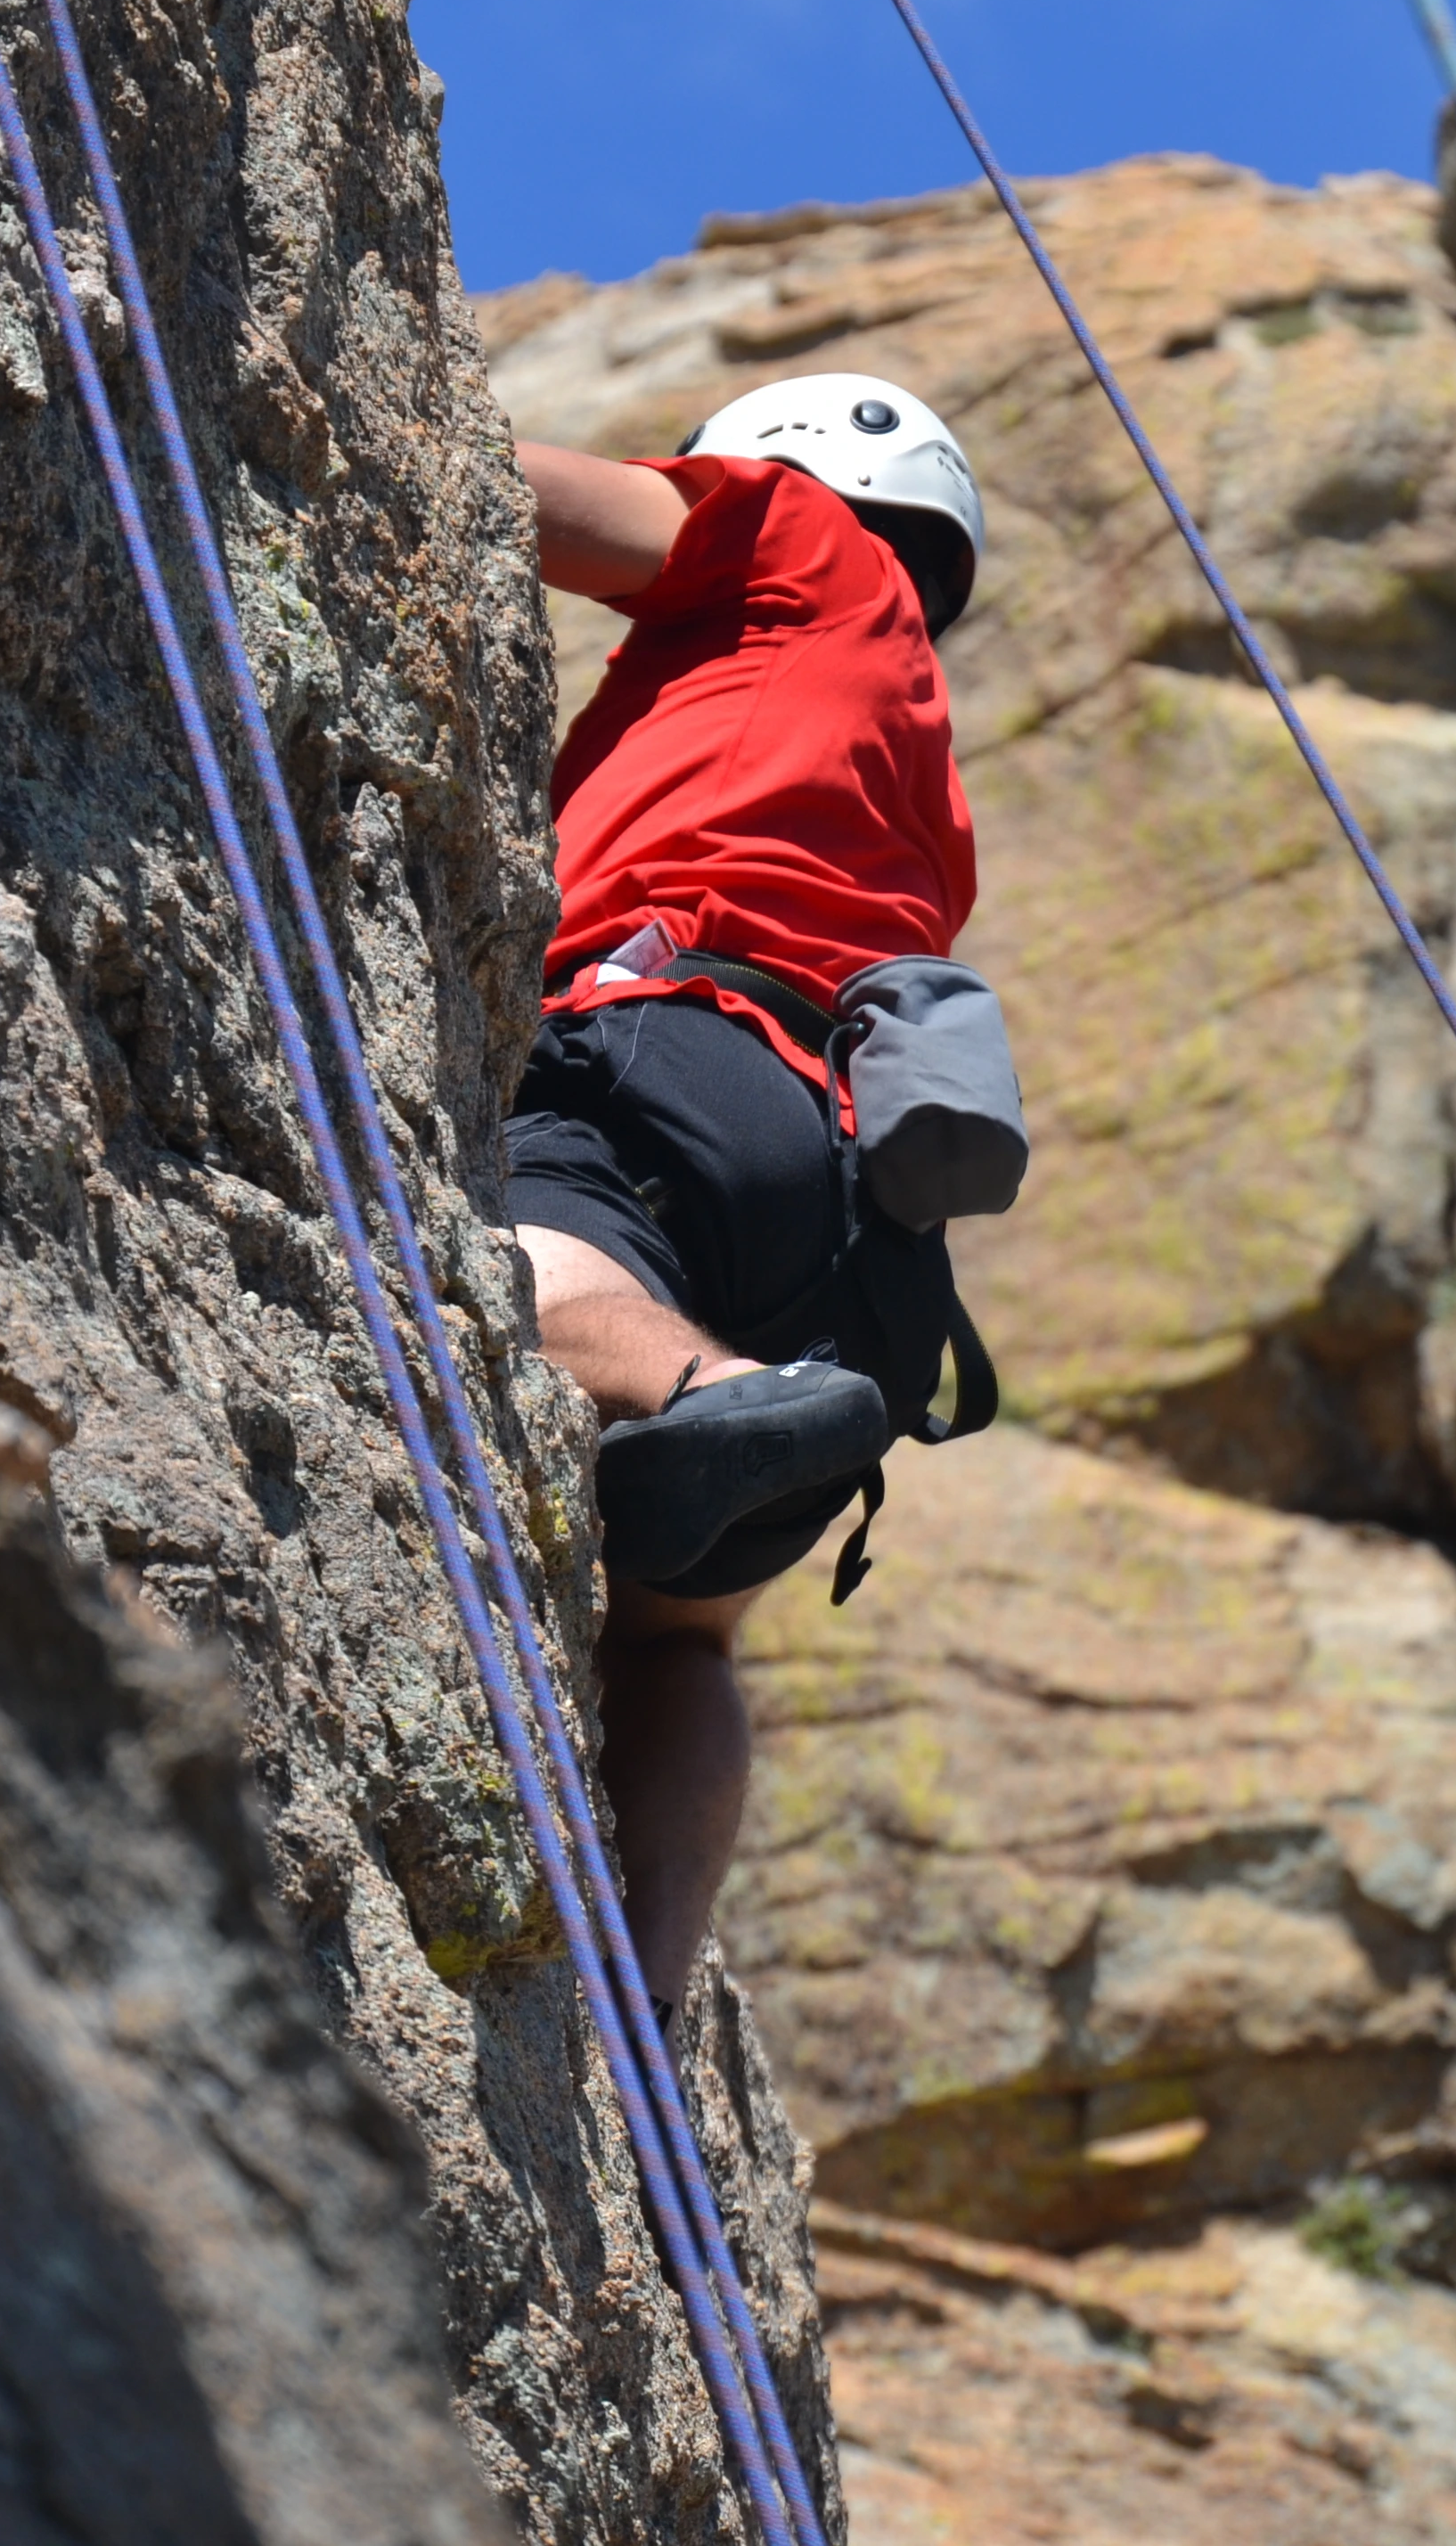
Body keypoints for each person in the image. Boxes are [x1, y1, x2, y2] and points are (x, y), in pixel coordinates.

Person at [502, 373, 1015, 2020]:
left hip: (669, 1035)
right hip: (852, 1213)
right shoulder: (920, 775)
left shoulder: (789, 546)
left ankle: (716, 1394)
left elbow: (484, 484)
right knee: (681, 1645)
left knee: (508, 1267)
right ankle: (641, 2017)